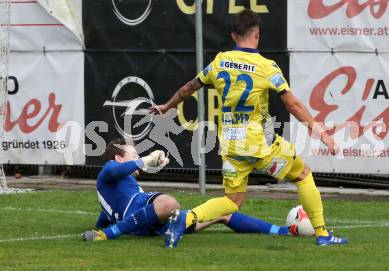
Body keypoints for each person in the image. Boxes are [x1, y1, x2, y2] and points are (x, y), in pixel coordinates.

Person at [149, 9, 348, 247]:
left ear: (234, 35)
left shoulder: (220, 61)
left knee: (232, 201)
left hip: (231, 144)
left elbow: (188, 88)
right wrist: (321, 133)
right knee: (303, 175)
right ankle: (323, 235)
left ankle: (184, 219)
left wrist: (166, 106)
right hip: (261, 145)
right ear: (257, 34)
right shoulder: (267, 66)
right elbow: (292, 103)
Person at [82, 138, 300, 241]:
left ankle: (281, 231)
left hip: (149, 225)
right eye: (134, 155)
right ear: (119, 158)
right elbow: (114, 172)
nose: (138, 158)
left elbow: (106, 214)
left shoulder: (113, 189)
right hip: (142, 211)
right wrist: (145, 161)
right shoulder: (108, 170)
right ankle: (110, 235)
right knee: (170, 203)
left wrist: (100, 225)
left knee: (224, 213)